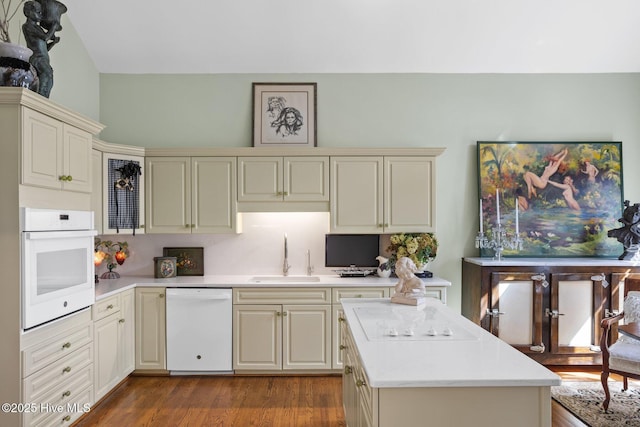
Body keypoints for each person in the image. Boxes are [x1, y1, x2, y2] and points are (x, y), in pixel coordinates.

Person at [22, 0, 58, 97]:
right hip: (37, 58)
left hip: (43, 58)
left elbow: (44, 48)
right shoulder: (28, 26)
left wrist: (53, 43)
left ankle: (43, 97)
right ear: (28, 13)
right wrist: (53, 27)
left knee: (48, 75)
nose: (41, 15)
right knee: (47, 73)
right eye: (38, 12)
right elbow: (46, 37)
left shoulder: (38, 28)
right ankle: (41, 97)